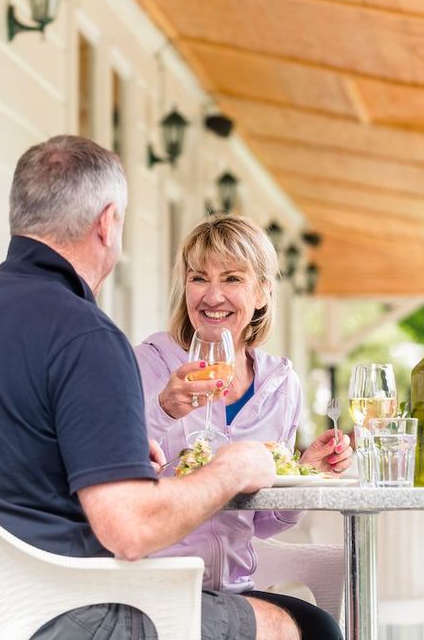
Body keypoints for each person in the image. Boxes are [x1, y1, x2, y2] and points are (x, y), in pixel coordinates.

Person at [0, 136, 297, 640]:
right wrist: (232, 469)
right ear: (107, 223)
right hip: (49, 614)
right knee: (302, 625)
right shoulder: (85, 335)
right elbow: (131, 532)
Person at [134, 214, 350, 638]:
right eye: (199, 278)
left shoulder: (281, 385)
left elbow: (263, 522)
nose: (212, 296)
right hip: (156, 581)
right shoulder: (148, 364)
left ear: (263, 292)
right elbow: (113, 478)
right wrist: (163, 410)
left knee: (323, 628)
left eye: (232, 278)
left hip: (235, 588)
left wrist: (304, 471)